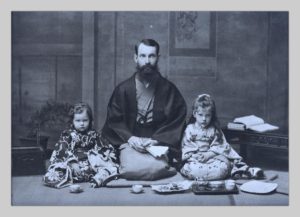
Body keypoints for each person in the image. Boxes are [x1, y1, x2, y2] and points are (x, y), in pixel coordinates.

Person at [102, 39, 187, 175]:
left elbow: (176, 119)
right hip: (130, 143)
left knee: (156, 169)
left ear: (157, 58)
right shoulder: (123, 89)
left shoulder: (169, 89)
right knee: (131, 169)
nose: (147, 61)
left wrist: (157, 140)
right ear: (136, 58)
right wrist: (130, 138)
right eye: (143, 56)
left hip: (158, 143)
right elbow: (114, 120)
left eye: (151, 56)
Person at [180, 94, 263, 180]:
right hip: (196, 159)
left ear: (212, 115)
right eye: (201, 115)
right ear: (194, 113)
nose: (204, 119)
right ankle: (211, 175)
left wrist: (209, 154)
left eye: (207, 115)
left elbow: (221, 145)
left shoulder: (214, 129)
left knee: (221, 168)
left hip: (213, 157)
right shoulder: (190, 129)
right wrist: (196, 156)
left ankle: (240, 171)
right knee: (193, 169)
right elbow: (187, 146)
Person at [43, 102, 119, 188]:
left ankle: (98, 179)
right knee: (53, 174)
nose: (82, 123)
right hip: (74, 163)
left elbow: (103, 147)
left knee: (112, 167)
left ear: (90, 120)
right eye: (78, 121)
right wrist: (72, 162)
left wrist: (104, 156)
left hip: (90, 164)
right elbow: (62, 148)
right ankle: (72, 176)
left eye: (85, 120)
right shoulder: (68, 134)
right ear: (72, 121)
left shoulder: (94, 134)